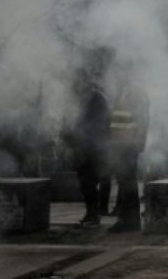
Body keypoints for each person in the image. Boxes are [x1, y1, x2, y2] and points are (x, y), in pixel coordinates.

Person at [105, 65, 150, 232]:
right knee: (124, 182)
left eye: (120, 71)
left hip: (128, 145)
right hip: (120, 144)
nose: (117, 74)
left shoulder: (135, 91)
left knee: (127, 182)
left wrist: (139, 142)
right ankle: (127, 219)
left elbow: (143, 119)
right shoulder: (124, 91)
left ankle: (129, 221)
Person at [67, 68, 111, 227]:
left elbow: (98, 124)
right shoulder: (86, 98)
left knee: (89, 182)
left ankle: (94, 214)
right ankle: (91, 213)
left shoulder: (96, 98)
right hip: (86, 146)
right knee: (86, 183)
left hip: (94, 147)